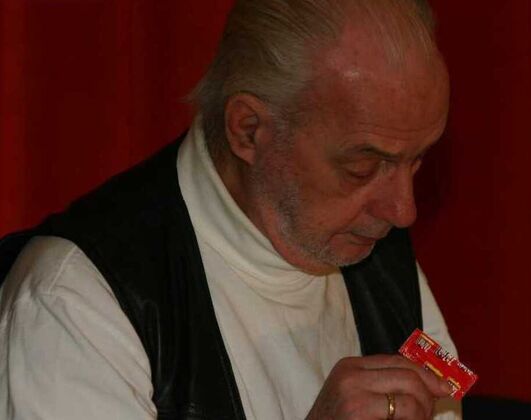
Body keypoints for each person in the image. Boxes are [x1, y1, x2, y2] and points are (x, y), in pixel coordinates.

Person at [0, 0, 460, 419]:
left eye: (417, 160)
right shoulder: (73, 302)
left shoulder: (377, 251)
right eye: (362, 168)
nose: (403, 210)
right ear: (248, 130)